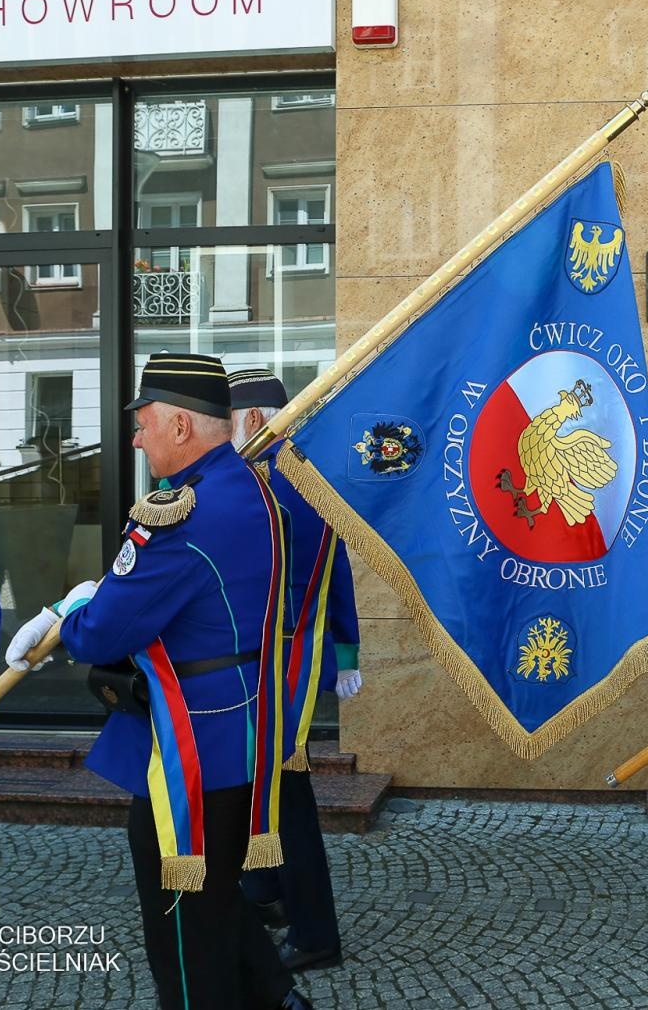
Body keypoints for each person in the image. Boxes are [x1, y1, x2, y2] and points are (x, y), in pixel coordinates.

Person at [4, 353, 309, 1010]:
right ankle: (278, 997)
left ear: (178, 424)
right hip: (246, 730)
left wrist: (70, 611)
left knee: (184, 938)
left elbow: (104, 634)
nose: (136, 440)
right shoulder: (250, 485)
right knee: (219, 903)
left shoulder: (181, 514)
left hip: (192, 750)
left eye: (143, 424)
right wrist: (103, 591)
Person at [228, 367, 360, 971]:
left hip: (279, 662)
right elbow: (340, 567)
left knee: (289, 799)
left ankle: (315, 933)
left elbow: (284, 577)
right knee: (271, 789)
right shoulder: (302, 473)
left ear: (254, 419)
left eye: (225, 421)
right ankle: (267, 892)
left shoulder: (268, 481)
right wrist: (346, 645)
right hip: (294, 655)